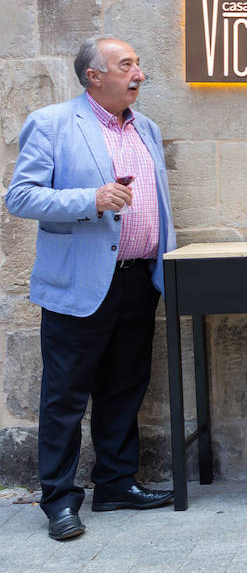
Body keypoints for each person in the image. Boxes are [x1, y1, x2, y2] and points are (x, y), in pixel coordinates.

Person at [4, 37, 178, 541]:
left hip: (138, 280)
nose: (139, 73)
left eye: (139, 64)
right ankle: (58, 499)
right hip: (80, 285)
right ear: (93, 76)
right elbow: (20, 196)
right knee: (65, 397)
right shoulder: (54, 123)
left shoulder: (146, 128)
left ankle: (117, 484)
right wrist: (91, 199)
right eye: (127, 65)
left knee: (125, 388)